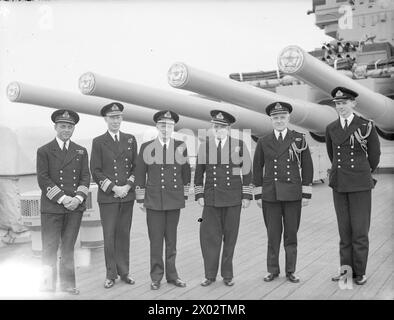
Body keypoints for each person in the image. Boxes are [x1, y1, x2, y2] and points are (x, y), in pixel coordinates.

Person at [253, 102, 313, 283]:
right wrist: (258, 192)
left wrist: (306, 191)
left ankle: (290, 270)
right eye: (275, 118)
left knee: (291, 234)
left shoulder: (299, 139)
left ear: (288, 118)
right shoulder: (263, 141)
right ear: (271, 120)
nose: (279, 121)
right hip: (270, 194)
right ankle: (272, 270)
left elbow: (307, 165)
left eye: (282, 117)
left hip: (293, 193)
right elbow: (257, 167)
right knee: (273, 235)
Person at [326, 87, 380, 285]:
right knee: (344, 231)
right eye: (338, 104)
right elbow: (333, 156)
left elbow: (374, 156)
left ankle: (360, 273)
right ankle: (346, 271)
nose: (341, 107)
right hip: (339, 184)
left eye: (344, 103)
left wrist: (362, 172)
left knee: (359, 231)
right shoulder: (331, 128)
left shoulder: (365, 126)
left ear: (353, 104)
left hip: (359, 184)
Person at [194, 110, 253, 287]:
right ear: (212, 128)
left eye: (222, 126)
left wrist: (247, 195)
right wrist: (199, 194)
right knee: (209, 237)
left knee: (230, 237)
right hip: (211, 199)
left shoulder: (239, 145)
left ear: (228, 128)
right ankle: (210, 275)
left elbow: (247, 171)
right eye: (216, 126)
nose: (218, 129)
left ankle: (227, 274)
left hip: (233, 198)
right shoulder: (205, 146)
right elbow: (199, 172)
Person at [135, 110, 191, 290]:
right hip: (153, 201)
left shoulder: (181, 146)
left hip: (174, 200)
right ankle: (156, 277)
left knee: (172, 241)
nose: (165, 128)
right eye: (162, 125)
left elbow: (185, 173)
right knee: (156, 241)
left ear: (173, 127)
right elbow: (140, 174)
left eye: (169, 125)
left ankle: (173, 275)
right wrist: (141, 199)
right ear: (157, 127)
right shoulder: (146, 147)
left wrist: (183, 196)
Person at [37, 109, 90, 295]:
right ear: (55, 127)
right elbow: (43, 179)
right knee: (49, 249)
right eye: (63, 126)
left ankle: (68, 285)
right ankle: (47, 285)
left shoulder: (81, 151)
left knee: (68, 248)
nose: (66, 129)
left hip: (74, 208)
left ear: (73, 128)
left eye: (70, 126)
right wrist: (63, 198)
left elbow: (85, 177)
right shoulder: (44, 151)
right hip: (52, 207)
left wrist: (77, 199)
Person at [90, 102, 138, 289]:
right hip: (109, 197)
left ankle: (124, 272)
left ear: (122, 119)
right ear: (106, 119)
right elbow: (95, 170)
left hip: (126, 195)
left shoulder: (130, 139)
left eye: (118, 117)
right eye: (112, 118)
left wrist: (127, 186)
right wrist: (113, 188)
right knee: (109, 236)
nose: (115, 121)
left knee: (124, 234)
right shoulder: (98, 141)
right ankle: (111, 274)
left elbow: (136, 166)